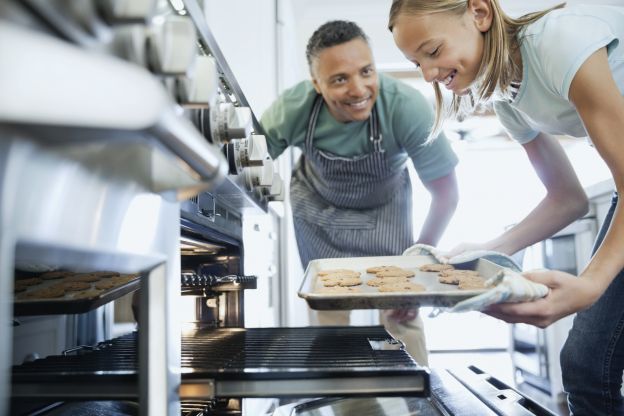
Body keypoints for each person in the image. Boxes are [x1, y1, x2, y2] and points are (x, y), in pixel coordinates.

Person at [389, 0, 624, 413]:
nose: (427, 74)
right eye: (415, 62)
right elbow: (568, 199)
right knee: (586, 366)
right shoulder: (507, 98)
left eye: (432, 51)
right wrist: (488, 251)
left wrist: (589, 285)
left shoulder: (558, 42)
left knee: (589, 364)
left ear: (479, 13)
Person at [260, 20, 459, 366]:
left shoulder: (406, 108)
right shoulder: (293, 110)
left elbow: (447, 195)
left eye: (366, 71)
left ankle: (417, 403)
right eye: (339, 79)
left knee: (403, 312)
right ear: (316, 85)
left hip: (386, 210)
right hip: (318, 210)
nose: (359, 89)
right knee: (330, 317)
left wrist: (416, 263)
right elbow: (249, 165)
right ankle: (346, 401)